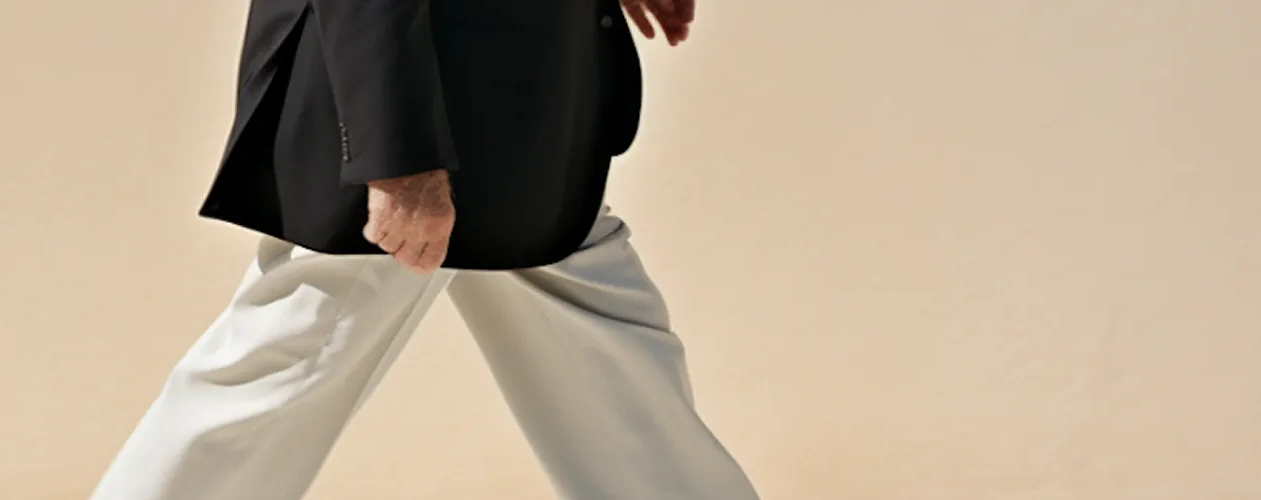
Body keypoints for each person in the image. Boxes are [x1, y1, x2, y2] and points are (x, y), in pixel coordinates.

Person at [89, 0, 761, 498]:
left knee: (613, 360)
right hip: (417, 114)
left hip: (515, 117)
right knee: (282, 364)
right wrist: (397, 161)